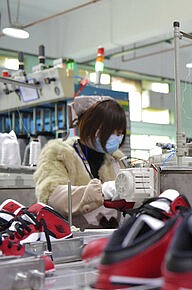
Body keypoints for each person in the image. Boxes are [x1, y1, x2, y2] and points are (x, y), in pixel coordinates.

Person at [33, 96, 128, 228]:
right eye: (109, 131)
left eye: (119, 132)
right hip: (72, 239)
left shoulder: (116, 159)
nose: (116, 137)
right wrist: (102, 191)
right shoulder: (59, 154)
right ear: (89, 126)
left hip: (111, 238)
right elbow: (53, 197)